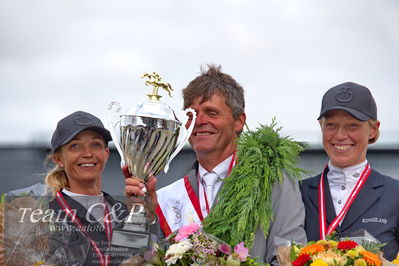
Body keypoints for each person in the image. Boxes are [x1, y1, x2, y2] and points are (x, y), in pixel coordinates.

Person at [125, 65, 307, 264]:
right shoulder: (168, 196)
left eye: (212, 113)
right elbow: (143, 258)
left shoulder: (274, 182)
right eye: (192, 114)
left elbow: (289, 260)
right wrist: (145, 218)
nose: (200, 121)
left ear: (239, 121)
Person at [300, 82, 399, 260]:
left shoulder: (395, 194)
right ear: (321, 126)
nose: (339, 135)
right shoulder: (297, 193)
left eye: (352, 126)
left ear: (373, 129)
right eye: (330, 125)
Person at [45, 111, 129, 266]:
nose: (87, 154)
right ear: (59, 159)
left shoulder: (123, 213)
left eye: (95, 144)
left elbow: (144, 256)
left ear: (106, 153)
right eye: (75, 146)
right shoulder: (44, 215)